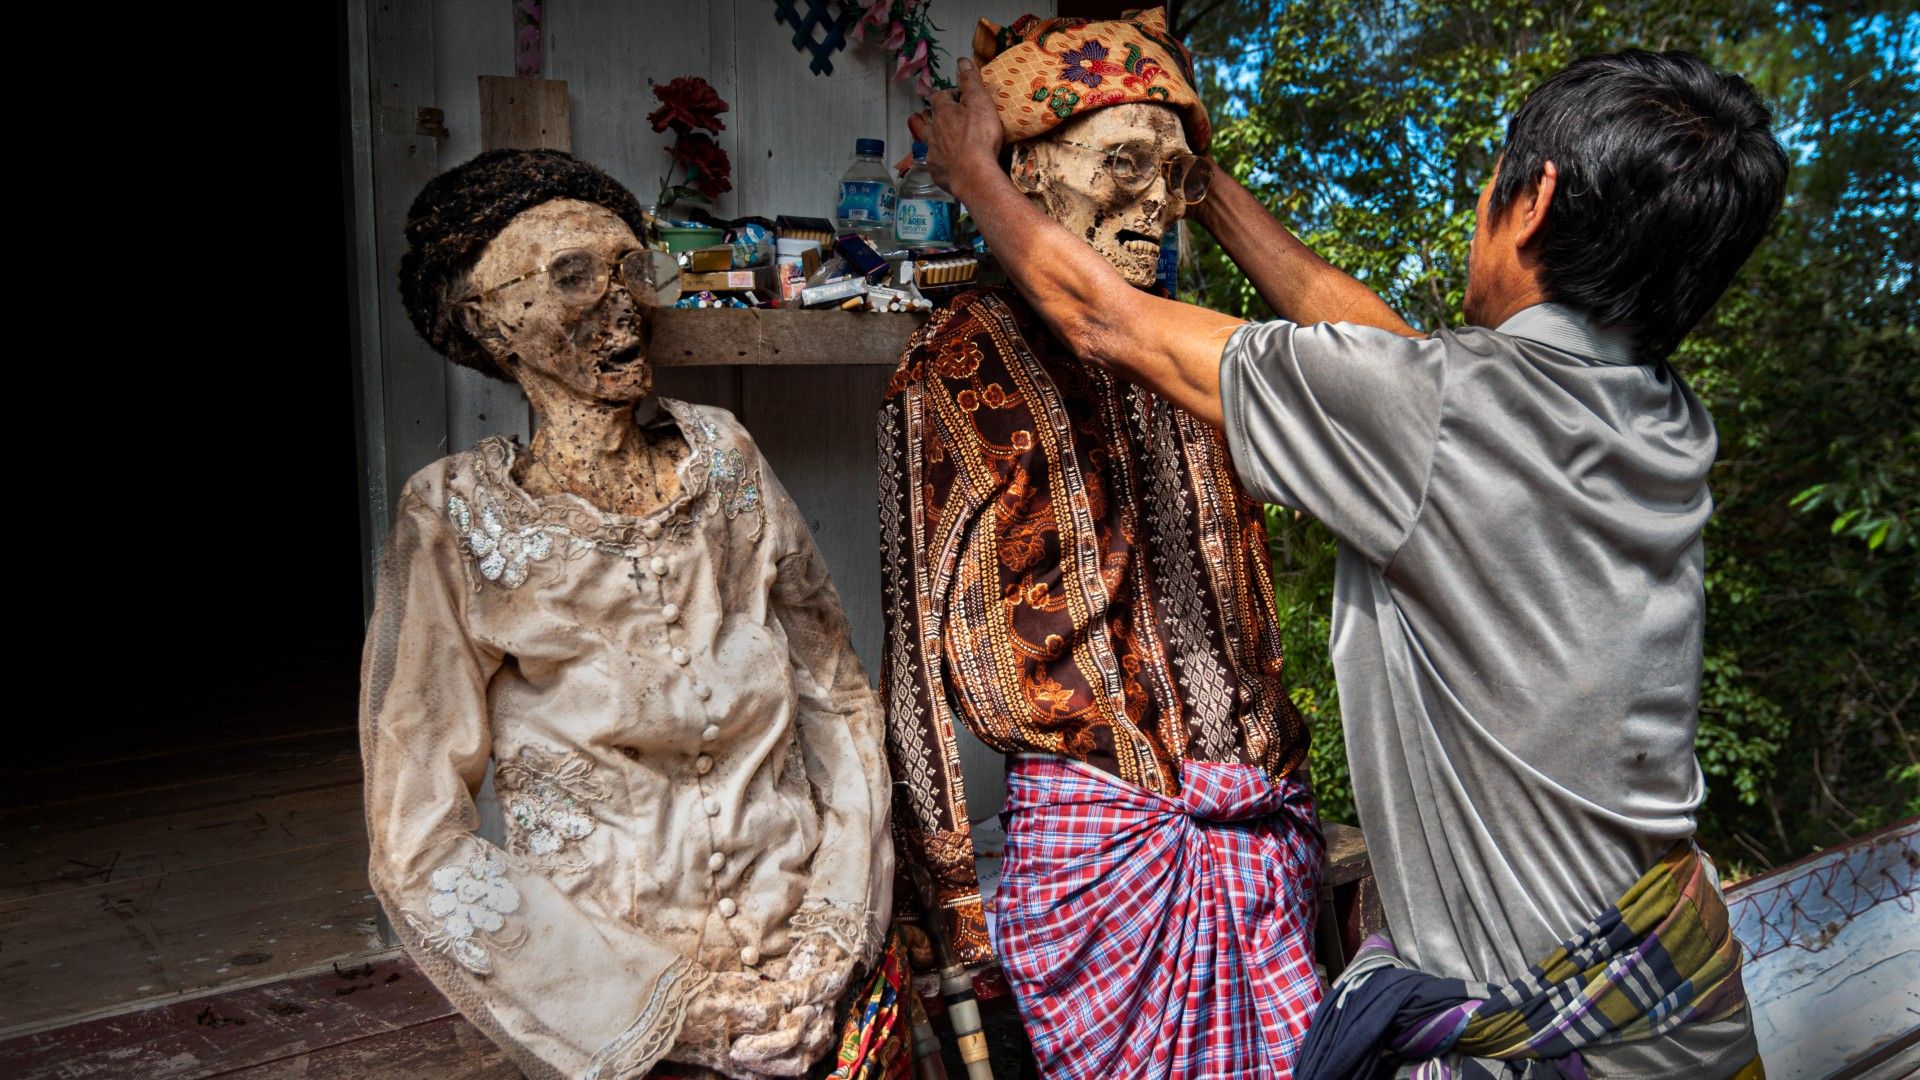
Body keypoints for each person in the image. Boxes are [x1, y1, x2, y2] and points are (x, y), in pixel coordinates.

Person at [922, 45, 1786, 1079]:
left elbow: (1109, 321)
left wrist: (971, 171)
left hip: (1564, 1052)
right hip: (1685, 1000)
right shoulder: (1653, 418)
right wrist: (1208, 191)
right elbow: (1389, 357)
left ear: (1534, 196)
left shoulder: (1441, 418)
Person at [365, 148, 901, 1080]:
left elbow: (837, 697)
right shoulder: (452, 517)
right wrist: (670, 1016)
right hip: (618, 1013)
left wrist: (835, 933)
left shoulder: (724, 457)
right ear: (486, 323)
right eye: (573, 277)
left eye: (629, 268)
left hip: (808, 972)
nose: (623, 303)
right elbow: (417, 841)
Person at [881, 11, 1322, 1079]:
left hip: (1264, 837)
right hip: (1104, 862)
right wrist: (949, 897)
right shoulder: (957, 361)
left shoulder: (1196, 351)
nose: (1156, 204)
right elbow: (913, 653)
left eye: (1175, 176)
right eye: (1122, 163)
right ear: (1027, 173)